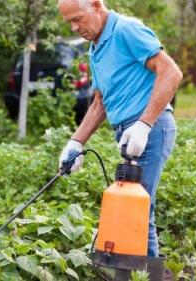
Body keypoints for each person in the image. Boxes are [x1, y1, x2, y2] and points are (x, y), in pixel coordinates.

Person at [57, 0, 182, 260]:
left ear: (96, 5)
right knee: (132, 209)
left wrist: (144, 125)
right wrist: (75, 143)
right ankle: (132, 274)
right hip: (129, 132)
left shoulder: (126, 30)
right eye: (69, 22)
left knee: (138, 211)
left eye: (78, 18)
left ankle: (144, 276)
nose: (74, 27)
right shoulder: (95, 49)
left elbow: (171, 72)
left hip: (151, 128)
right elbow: (100, 103)